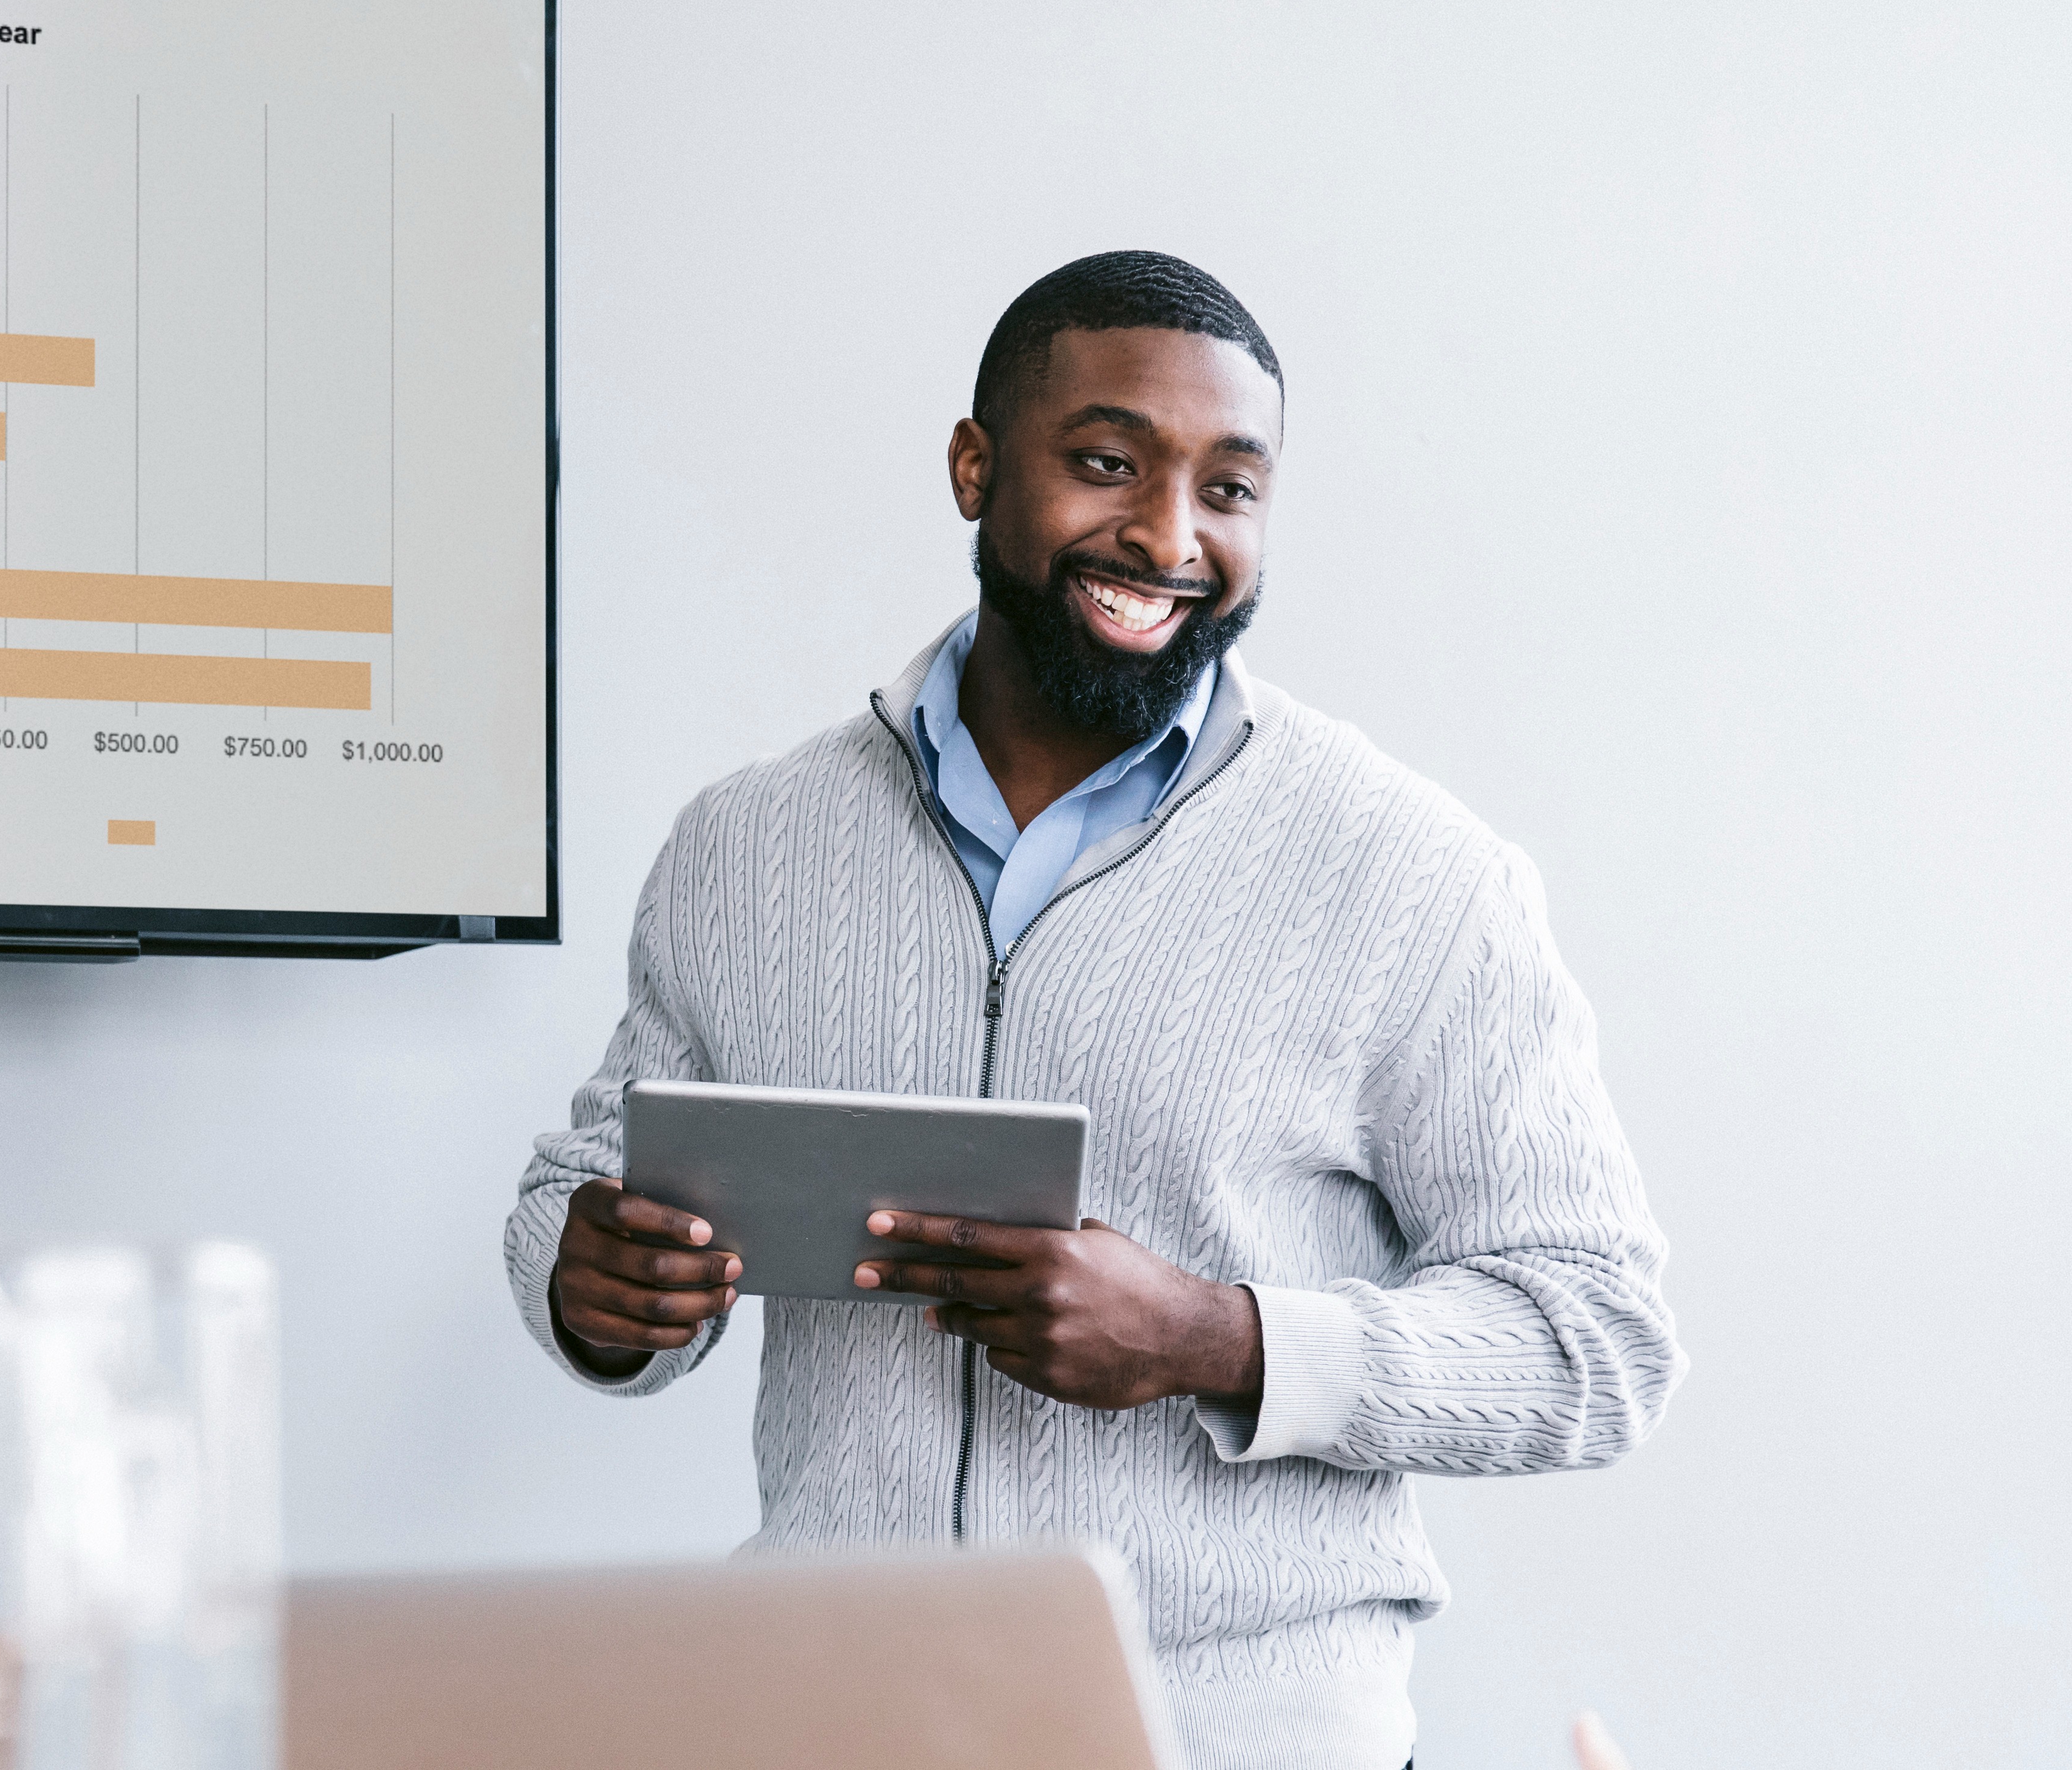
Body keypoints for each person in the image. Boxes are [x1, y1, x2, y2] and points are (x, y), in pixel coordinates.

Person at [502, 251, 1686, 1770]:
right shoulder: (745, 844)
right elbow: (589, 1185)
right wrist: (592, 1286)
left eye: (1231, 488)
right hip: (836, 1718)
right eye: (1109, 462)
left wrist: (1218, 1337)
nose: (1169, 534)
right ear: (975, 467)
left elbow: (1596, 1336)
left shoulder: (1414, 874)